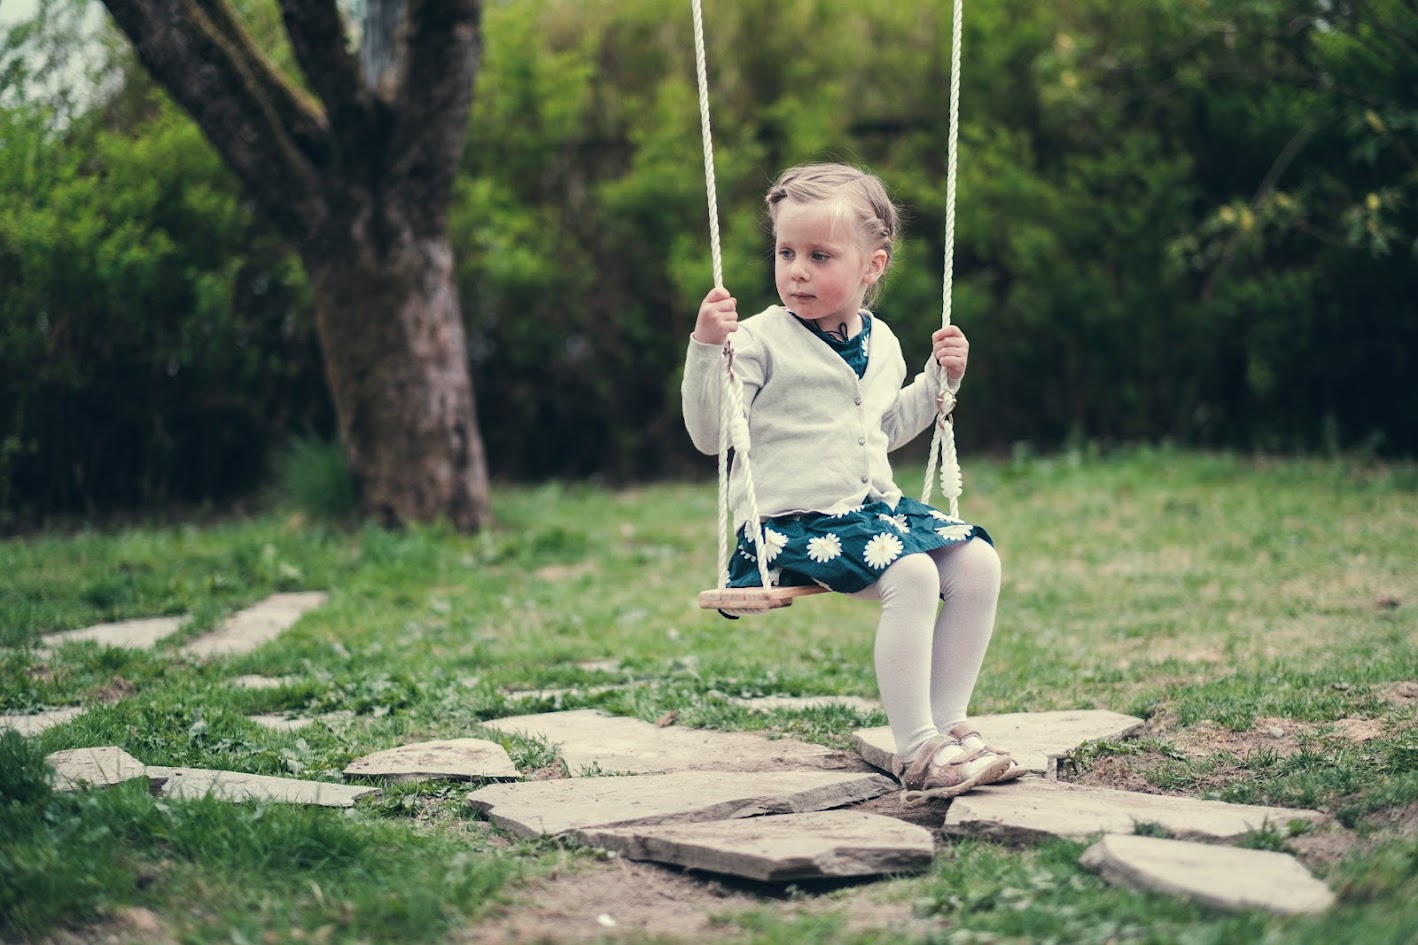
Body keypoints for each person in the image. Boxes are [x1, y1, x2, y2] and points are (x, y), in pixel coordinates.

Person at [681, 162, 1020, 802]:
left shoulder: (882, 341)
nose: (797, 269)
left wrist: (937, 385)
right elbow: (710, 436)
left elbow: (882, 430)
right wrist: (705, 348)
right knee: (914, 574)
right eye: (786, 252)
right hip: (789, 523)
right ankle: (918, 746)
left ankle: (950, 725)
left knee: (977, 562)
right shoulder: (755, 341)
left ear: (873, 266)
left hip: (869, 513)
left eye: (819, 254)